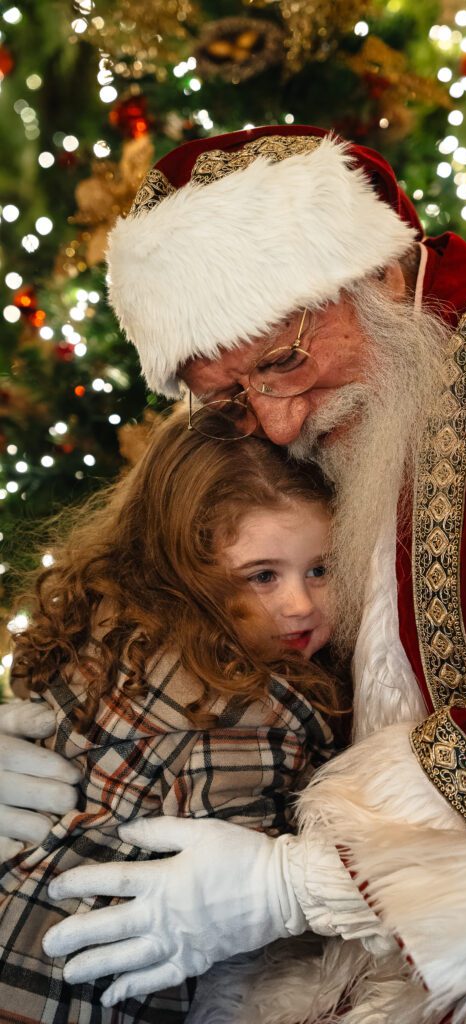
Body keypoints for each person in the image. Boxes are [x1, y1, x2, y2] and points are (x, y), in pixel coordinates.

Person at [1, 124, 466, 1024]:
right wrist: (59, 737)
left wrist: (292, 887)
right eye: (230, 398)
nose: (279, 424)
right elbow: (195, 616)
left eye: (283, 360)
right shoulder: (323, 413)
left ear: (380, 272)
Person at [0, 407, 347, 1023]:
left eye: (320, 569)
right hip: (91, 979)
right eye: (261, 576)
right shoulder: (256, 707)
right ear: (184, 570)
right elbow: (238, 871)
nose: (299, 605)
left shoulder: (102, 621)